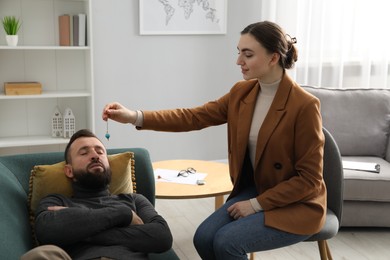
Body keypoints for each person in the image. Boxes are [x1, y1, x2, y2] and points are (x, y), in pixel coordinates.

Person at [102, 21, 326, 259]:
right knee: (203, 238)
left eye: (247, 54)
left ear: (273, 58)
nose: (238, 61)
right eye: (238, 52)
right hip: (257, 189)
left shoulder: (304, 105)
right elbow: (193, 117)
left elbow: (309, 181)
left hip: (296, 204)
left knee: (226, 243)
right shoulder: (242, 93)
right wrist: (134, 116)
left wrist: (256, 204)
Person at [21, 129, 173, 260]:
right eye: (84, 152)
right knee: (40, 255)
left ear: (109, 165)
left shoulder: (134, 199)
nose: (95, 156)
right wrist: (123, 213)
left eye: (100, 152)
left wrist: (78, 231)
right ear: (69, 170)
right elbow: (46, 232)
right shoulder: (56, 201)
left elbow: (162, 237)